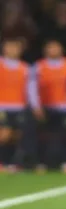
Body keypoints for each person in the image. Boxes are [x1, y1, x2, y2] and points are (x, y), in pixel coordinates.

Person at [28, 39, 66, 173]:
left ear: (61, 49)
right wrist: (35, 105)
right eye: (50, 48)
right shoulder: (38, 66)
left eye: (56, 48)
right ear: (45, 50)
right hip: (47, 106)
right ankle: (41, 163)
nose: (53, 50)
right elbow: (32, 87)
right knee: (43, 136)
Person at [0, 38, 29, 173]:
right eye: (9, 47)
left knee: (16, 136)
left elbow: (29, 88)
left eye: (15, 47)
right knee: (4, 135)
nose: (12, 50)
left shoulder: (25, 67)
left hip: (19, 106)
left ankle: (10, 163)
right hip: (2, 105)